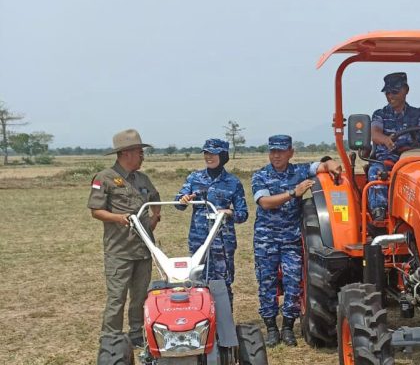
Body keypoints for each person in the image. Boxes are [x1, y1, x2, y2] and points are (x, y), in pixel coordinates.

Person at [251, 135, 341, 347]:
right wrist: (293, 193)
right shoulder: (260, 175)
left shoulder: (300, 171)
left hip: (291, 240)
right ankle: (271, 328)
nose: (276, 155)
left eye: (281, 151)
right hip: (266, 240)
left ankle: (288, 328)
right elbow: (265, 202)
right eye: (273, 151)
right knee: (267, 284)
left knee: (293, 284)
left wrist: (331, 163)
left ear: (290, 152)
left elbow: (322, 165)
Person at [87, 129, 161, 348]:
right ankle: (111, 338)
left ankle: (136, 334)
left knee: (140, 296)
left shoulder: (143, 178)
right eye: (140, 152)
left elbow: (155, 198)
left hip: (144, 249)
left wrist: (155, 217)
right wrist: (118, 218)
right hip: (119, 250)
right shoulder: (104, 178)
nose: (143, 156)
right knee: (117, 297)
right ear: (126, 153)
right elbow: (96, 211)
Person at [175, 138, 248, 306]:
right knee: (197, 281)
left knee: (223, 283)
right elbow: (178, 204)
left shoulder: (233, 182)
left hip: (223, 242)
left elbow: (243, 214)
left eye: (213, 154)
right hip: (198, 241)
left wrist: (229, 213)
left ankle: (224, 320)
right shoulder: (194, 178)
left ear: (223, 156)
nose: (208, 157)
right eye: (206, 153)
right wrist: (183, 199)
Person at [369, 72, 420, 220]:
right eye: (387, 92)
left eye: (394, 92)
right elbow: (375, 133)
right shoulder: (380, 114)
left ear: (406, 90)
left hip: (413, 160)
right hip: (389, 159)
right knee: (376, 171)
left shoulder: (417, 113)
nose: (390, 96)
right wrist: (385, 139)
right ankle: (379, 210)